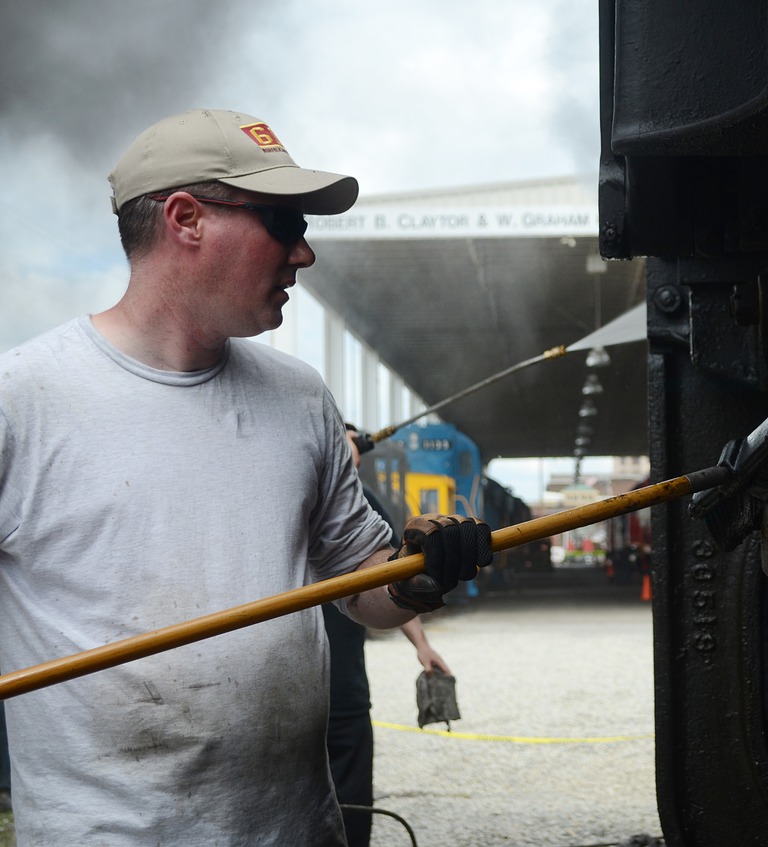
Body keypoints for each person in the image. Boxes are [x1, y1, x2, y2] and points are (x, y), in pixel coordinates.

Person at [0, 108, 490, 845]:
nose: (304, 254)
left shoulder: (300, 398)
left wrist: (417, 575)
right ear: (187, 218)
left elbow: (361, 586)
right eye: (285, 222)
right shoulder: (21, 401)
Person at [326, 427, 452, 847]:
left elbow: (386, 575)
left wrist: (422, 645)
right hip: (280, 695)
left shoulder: (357, 504)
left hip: (344, 692)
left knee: (353, 807)